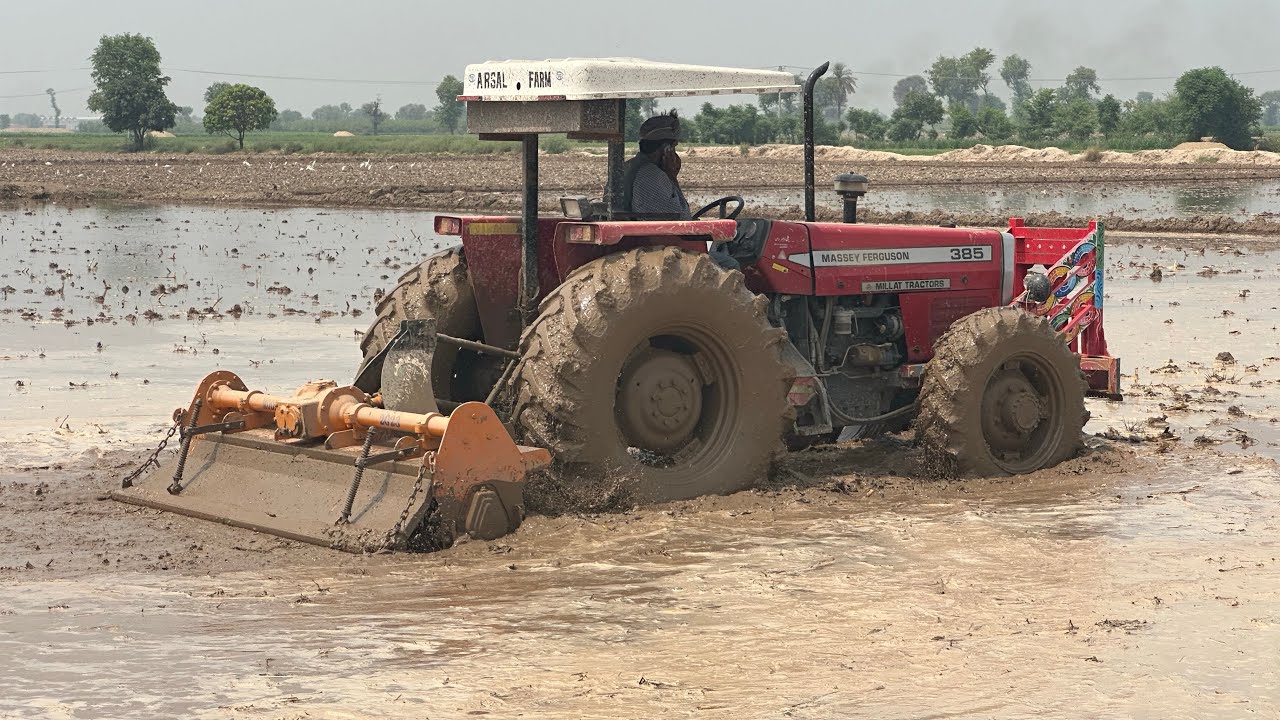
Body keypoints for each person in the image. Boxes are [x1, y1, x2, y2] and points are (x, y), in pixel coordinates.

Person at [618, 111, 691, 219]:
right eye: (674, 147)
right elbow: (681, 220)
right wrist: (671, 176)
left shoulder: (627, 167)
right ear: (667, 150)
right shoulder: (651, 176)